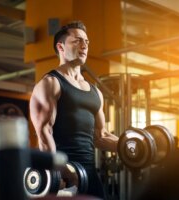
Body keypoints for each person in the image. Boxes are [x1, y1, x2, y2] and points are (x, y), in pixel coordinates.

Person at [29, 21, 119, 199]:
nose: (84, 45)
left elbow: (100, 136)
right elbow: (44, 133)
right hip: (64, 176)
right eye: (77, 40)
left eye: (87, 42)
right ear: (60, 47)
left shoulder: (95, 92)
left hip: (89, 176)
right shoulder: (51, 83)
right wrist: (60, 172)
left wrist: (132, 146)